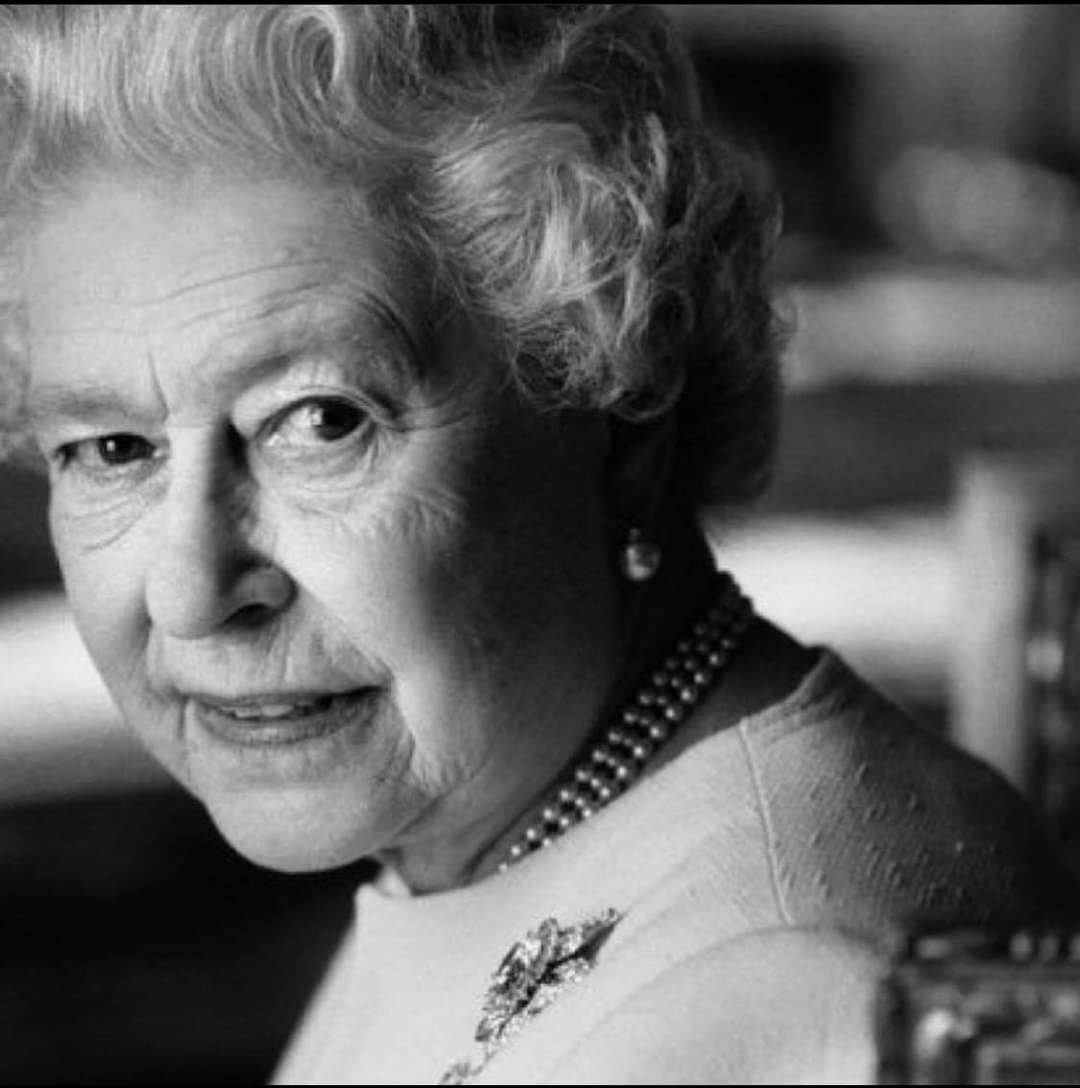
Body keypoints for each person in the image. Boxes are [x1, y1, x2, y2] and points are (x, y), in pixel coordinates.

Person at [0, 5, 1071, 1084]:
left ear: (621, 397)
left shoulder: (818, 1000)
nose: (191, 590)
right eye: (111, 447)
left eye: (322, 422)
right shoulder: (482, 839)